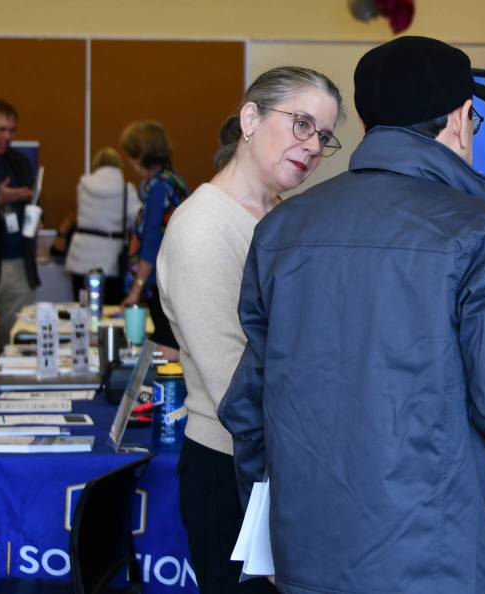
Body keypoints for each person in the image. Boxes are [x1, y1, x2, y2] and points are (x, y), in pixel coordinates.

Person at [220, 36, 485, 594]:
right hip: (436, 551)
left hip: (306, 546)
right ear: (457, 119)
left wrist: (276, 524)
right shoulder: (483, 230)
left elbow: (248, 407)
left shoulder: (282, 230)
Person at [158, 66, 343, 594]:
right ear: (250, 119)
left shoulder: (280, 218)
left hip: (285, 465)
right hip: (232, 471)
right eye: (301, 124)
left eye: (324, 136)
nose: (311, 146)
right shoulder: (202, 227)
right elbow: (234, 388)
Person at [119, 121, 188, 355]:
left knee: (165, 347)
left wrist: (135, 291)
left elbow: (151, 241)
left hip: (161, 285)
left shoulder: (158, 188)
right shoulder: (173, 181)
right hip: (173, 281)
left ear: (140, 156)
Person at [0, 98, 40, 352]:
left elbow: (32, 197)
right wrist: (2, 196)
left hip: (18, 259)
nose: (6, 136)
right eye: (0, 130)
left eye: (12, 130)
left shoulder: (20, 161)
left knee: (16, 335)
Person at [65, 147, 140, 303]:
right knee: (110, 308)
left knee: (83, 308)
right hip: (111, 258)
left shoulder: (83, 186)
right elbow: (138, 220)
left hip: (81, 256)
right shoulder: (127, 189)